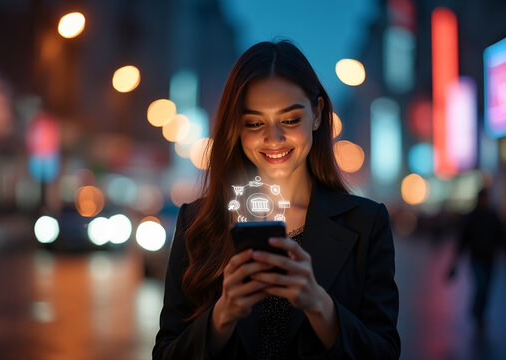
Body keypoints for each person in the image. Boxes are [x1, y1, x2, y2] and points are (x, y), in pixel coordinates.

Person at [153, 40, 400, 359]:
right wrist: (221, 316)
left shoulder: (367, 223)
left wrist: (319, 304)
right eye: (255, 123)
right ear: (236, 128)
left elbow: (385, 352)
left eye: (290, 120)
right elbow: (165, 353)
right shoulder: (197, 223)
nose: (274, 138)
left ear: (316, 114)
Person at [450, 188, 505, 331]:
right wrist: (455, 261)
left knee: (487, 288)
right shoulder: (472, 218)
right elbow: (463, 240)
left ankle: (479, 314)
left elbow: (500, 237)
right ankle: (477, 313)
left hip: (490, 259)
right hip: (477, 259)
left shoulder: (492, 217)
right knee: (481, 286)